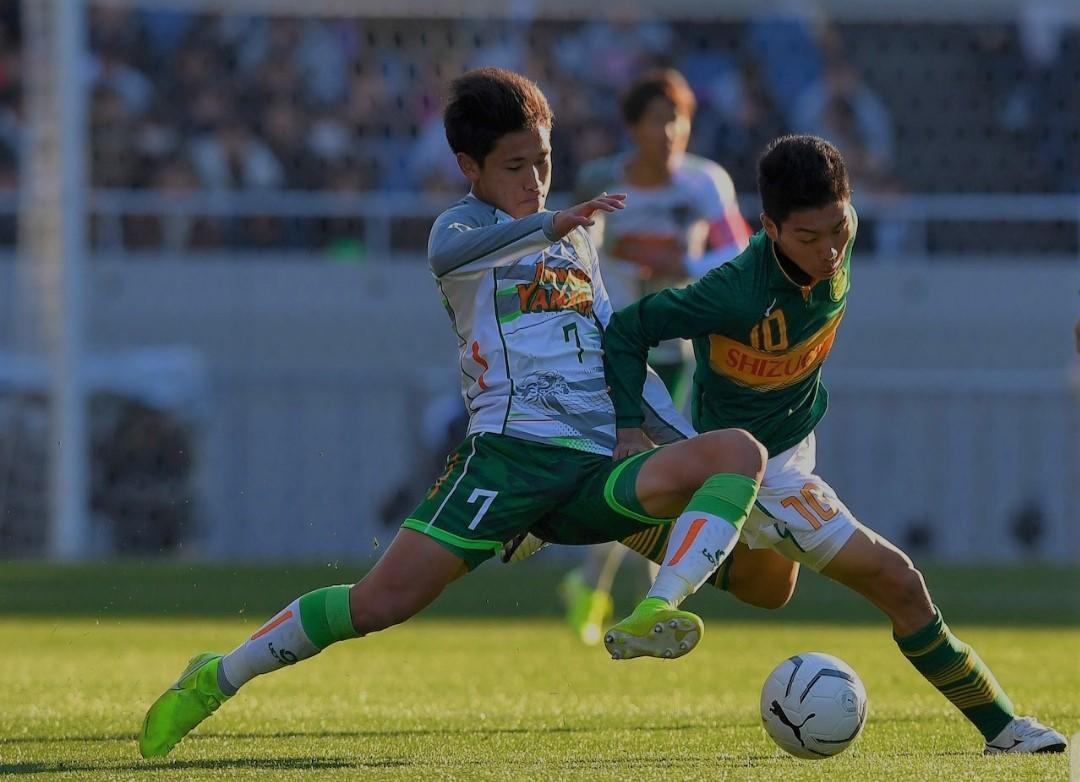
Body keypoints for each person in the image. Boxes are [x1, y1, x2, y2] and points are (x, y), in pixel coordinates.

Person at [136, 66, 773, 758]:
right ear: (471, 167)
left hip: (594, 468)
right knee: (377, 604)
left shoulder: (575, 240)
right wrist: (547, 225)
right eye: (515, 166)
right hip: (508, 462)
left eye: (544, 160)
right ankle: (217, 676)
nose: (535, 179)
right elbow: (447, 255)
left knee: (749, 503)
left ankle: (656, 606)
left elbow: (611, 351)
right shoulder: (463, 228)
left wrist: (672, 438)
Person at [600, 133, 1067, 754]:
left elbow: (829, 238)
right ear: (769, 228)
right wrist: (628, 429)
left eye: (839, 229)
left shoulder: (836, 238)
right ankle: (1004, 729)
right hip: (760, 466)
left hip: (796, 442)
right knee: (898, 580)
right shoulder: (732, 292)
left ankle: (610, 519)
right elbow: (626, 331)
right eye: (808, 237)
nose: (829, 250)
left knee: (770, 588)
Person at [559, 68, 753, 646]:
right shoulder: (601, 181)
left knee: (659, 477)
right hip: (616, 349)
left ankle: (593, 587)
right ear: (631, 128)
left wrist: (682, 265)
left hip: (679, 349)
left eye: (679, 119)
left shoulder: (705, 182)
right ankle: (649, 600)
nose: (670, 132)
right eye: (657, 120)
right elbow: (572, 255)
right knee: (641, 474)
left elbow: (738, 250)